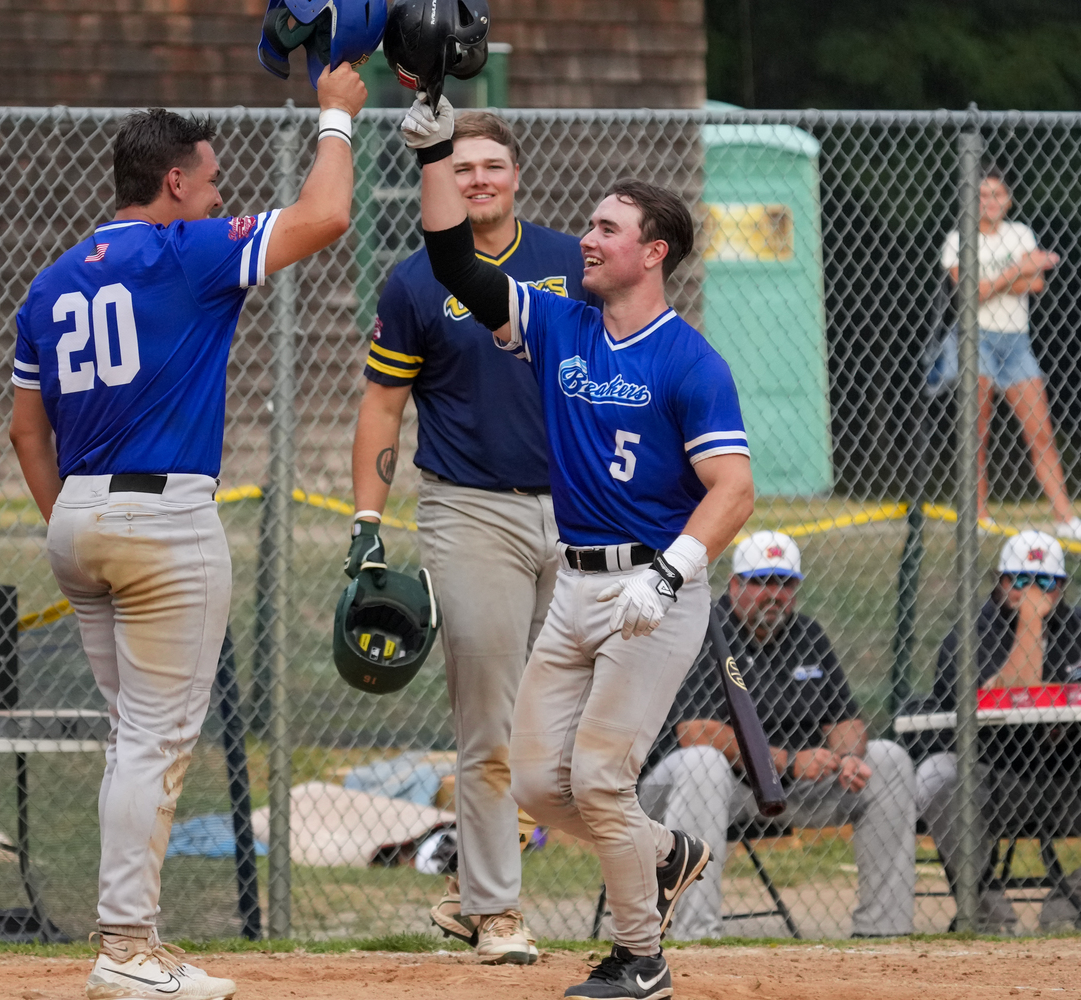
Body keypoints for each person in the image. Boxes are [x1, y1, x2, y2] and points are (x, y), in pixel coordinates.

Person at [8, 65, 366, 1000]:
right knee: (155, 742)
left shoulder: (48, 285)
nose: (218, 193)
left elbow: (23, 430)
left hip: (79, 512)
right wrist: (337, 113)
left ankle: (133, 935)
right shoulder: (187, 251)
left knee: (134, 736)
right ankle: (126, 945)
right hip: (162, 519)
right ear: (171, 184)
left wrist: (77, 522)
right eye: (208, 180)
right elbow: (327, 216)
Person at [406, 95, 755, 999]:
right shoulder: (559, 322)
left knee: (601, 776)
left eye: (608, 229)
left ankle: (641, 959)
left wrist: (675, 570)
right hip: (576, 587)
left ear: (655, 252)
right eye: (592, 226)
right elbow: (454, 261)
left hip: (655, 593)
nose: (588, 240)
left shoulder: (690, 363)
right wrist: (435, 156)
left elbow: (734, 491)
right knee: (536, 782)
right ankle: (668, 852)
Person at [346, 110, 599, 965]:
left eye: (493, 165)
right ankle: (496, 912)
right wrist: (367, 522)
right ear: (441, 181)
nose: (478, 179)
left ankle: (468, 894)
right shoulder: (415, 282)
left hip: (575, 510)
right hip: (470, 511)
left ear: (517, 176)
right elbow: (381, 403)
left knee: (564, 724)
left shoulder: (572, 264)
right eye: (462, 168)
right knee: (489, 723)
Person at [640, 531, 916, 940]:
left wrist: (847, 758)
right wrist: (786, 762)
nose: (775, 594)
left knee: (888, 759)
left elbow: (846, 721)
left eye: (785, 583)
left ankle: (885, 931)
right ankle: (694, 934)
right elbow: (696, 732)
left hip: (789, 788)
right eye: (761, 581)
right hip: (693, 788)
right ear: (735, 585)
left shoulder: (808, 634)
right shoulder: (705, 630)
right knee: (704, 765)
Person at [916, 529, 1081, 934]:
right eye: (1020, 581)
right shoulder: (971, 633)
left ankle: (1070, 903)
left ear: (1062, 587)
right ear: (1000, 581)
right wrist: (1030, 623)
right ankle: (985, 906)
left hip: (1069, 781)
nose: (1032, 592)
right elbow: (1016, 687)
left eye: (1045, 583)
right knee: (936, 775)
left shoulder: (1077, 626)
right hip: (993, 780)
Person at [936, 168, 1076, 536]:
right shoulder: (958, 240)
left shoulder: (1020, 233)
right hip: (976, 339)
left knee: (1041, 432)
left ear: (1009, 200)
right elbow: (970, 295)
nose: (990, 202)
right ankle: (978, 515)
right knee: (977, 432)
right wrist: (1017, 270)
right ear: (971, 201)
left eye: (997, 195)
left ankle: (1065, 518)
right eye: (982, 195)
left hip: (1017, 343)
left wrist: (994, 282)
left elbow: (1038, 282)